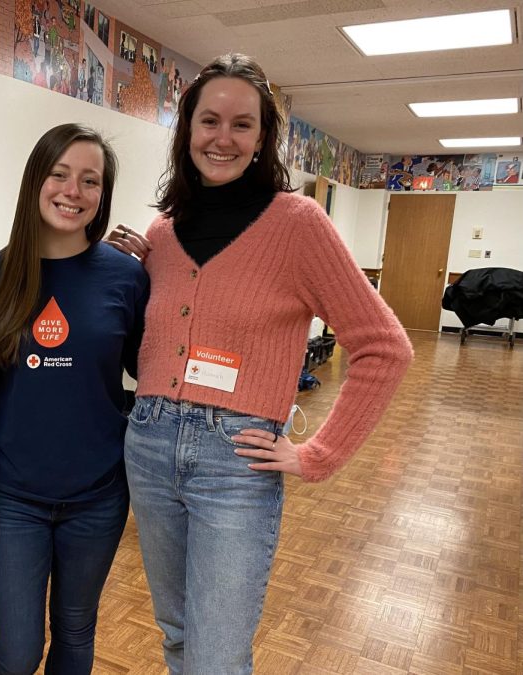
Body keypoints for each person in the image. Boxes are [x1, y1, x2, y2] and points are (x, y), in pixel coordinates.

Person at [107, 53, 413, 674]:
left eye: (242, 124)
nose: (223, 137)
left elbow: (385, 346)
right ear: (187, 129)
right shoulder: (162, 234)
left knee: (217, 656)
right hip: (148, 446)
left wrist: (317, 454)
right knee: (176, 635)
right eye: (209, 121)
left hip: (235, 462)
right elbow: (146, 347)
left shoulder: (299, 225)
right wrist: (119, 275)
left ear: (263, 138)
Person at [0, 123, 149, 674]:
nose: (73, 191)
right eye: (60, 174)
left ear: (103, 194)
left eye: (90, 180)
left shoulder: (126, 277)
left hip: (98, 494)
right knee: (17, 649)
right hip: (12, 495)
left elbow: (148, 372)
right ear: (35, 181)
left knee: (75, 635)